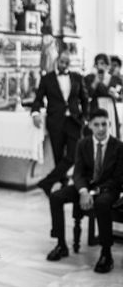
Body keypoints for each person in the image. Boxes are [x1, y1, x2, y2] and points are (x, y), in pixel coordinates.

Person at [46, 108, 123, 273]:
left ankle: (106, 253)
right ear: (90, 126)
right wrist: (83, 191)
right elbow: (78, 173)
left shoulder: (118, 147)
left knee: (102, 203)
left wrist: (93, 193)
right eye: (97, 125)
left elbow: (117, 179)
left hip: (108, 188)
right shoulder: (83, 144)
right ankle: (61, 244)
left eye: (104, 124)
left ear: (109, 124)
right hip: (86, 186)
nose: (101, 129)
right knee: (55, 197)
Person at [31, 50, 89, 195]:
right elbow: (38, 99)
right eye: (62, 62)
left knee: (73, 155)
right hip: (55, 121)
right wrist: (35, 113)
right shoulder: (47, 79)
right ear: (57, 61)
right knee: (58, 156)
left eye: (67, 62)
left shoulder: (77, 77)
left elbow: (85, 99)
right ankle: (62, 185)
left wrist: (85, 117)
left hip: (74, 121)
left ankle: (47, 182)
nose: (64, 65)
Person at [84, 53, 121, 138]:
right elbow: (88, 94)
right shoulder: (90, 78)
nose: (99, 66)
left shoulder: (115, 79)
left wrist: (115, 95)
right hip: (96, 106)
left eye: (102, 63)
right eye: (97, 64)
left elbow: (119, 95)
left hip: (110, 107)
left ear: (108, 65)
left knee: (111, 131)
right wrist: (96, 82)